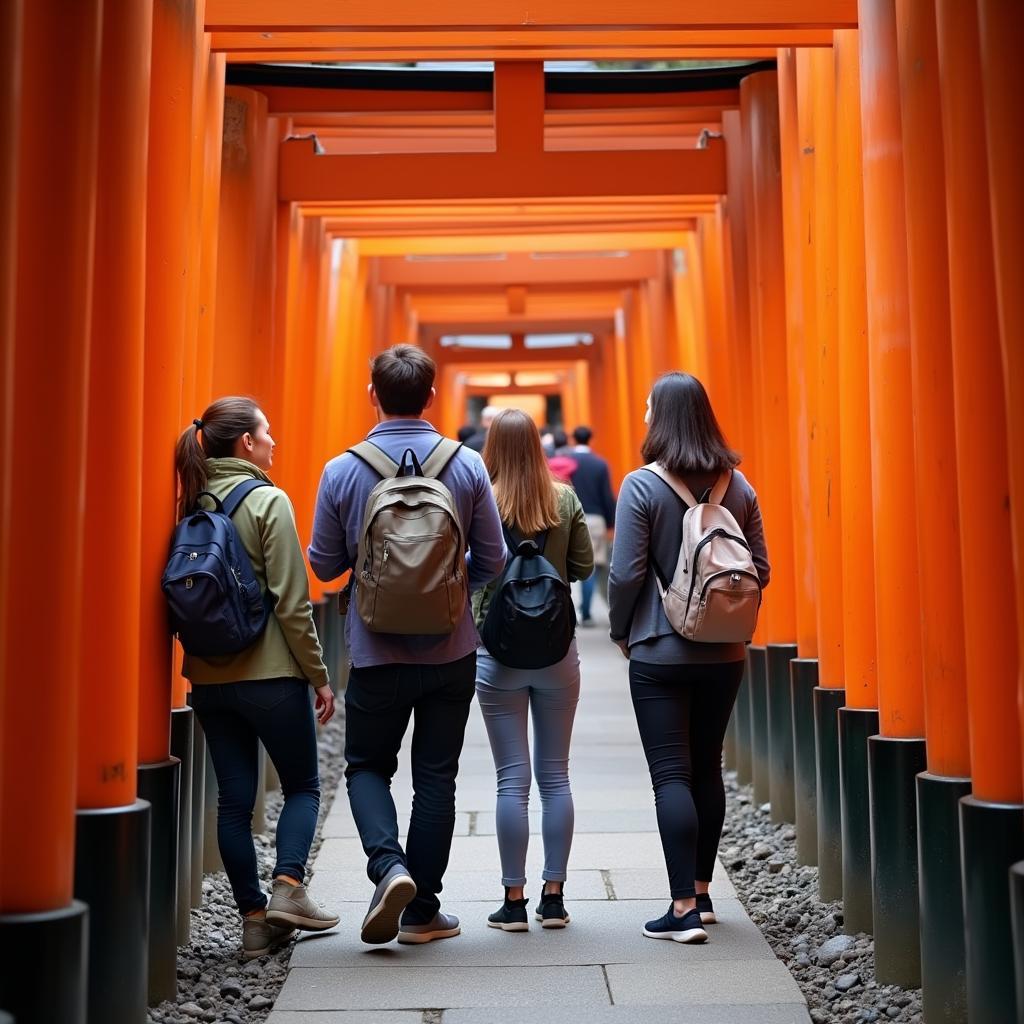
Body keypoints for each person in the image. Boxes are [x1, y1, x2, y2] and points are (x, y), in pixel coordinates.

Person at [309, 345, 507, 945]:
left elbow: (322, 564)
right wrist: (446, 584)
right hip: (451, 650)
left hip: (374, 652)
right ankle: (423, 912)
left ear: (373, 394)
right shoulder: (467, 465)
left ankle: (386, 866)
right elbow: (493, 558)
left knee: (367, 766)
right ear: (431, 395)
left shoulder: (342, 470)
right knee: (436, 778)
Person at [608, 372, 769, 945]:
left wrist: (621, 629)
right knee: (707, 764)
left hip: (659, 649)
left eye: (650, 408)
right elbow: (761, 570)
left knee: (671, 773)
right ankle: (702, 892)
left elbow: (626, 572)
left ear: (663, 417)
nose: (646, 416)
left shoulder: (642, 486)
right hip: (725, 653)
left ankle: (680, 911)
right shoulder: (738, 486)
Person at [176, 396, 339, 961]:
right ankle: (289, 889)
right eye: (267, 432)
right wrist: (319, 677)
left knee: (233, 802)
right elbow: (293, 606)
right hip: (270, 676)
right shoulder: (268, 500)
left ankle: (252, 922)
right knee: (303, 786)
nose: (274, 442)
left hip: (209, 679)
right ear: (246, 442)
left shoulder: (189, 503)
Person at [473, 409, 593, 931]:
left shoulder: (480, 499)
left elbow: (467, 568)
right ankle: (555, 897)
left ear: (493, 445)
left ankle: (514, 901)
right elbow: (585, 568)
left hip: (496, 652)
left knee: (510, 781)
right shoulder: (562, 498)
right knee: (556, 774)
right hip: (555, 650)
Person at [567, 426, 617, 626]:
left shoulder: (568, 462)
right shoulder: (599, 464)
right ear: (591, 440)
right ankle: (585, 612)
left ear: (573, 439)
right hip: (595, 519)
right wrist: (611, 520)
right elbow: (606, 494)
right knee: (592, 566)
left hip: (570, 516)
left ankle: (568, 610)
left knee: (566, 565)